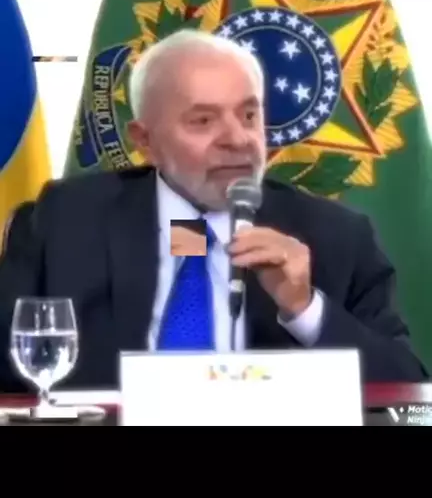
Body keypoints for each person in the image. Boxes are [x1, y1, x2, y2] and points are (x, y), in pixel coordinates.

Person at [0, 29, 428, 393]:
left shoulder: (336, 236)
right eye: (203, 121)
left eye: (249, 115)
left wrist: (304, 308)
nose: (237, 139)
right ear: (144, 141)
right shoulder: (63, 223)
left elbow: (408, 394)